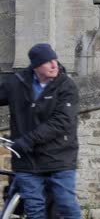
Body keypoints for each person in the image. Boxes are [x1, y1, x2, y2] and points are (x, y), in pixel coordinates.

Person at [0, 43, 81, 219]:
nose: (54, 65)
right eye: (48, 62)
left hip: (59, 157)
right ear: (36, 65)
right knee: (34, 209)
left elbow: (62, 122)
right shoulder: (18, 83)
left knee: (66, 204)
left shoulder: (66, 86)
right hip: (27, 160)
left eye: (55, 60)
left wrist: (28, 140)